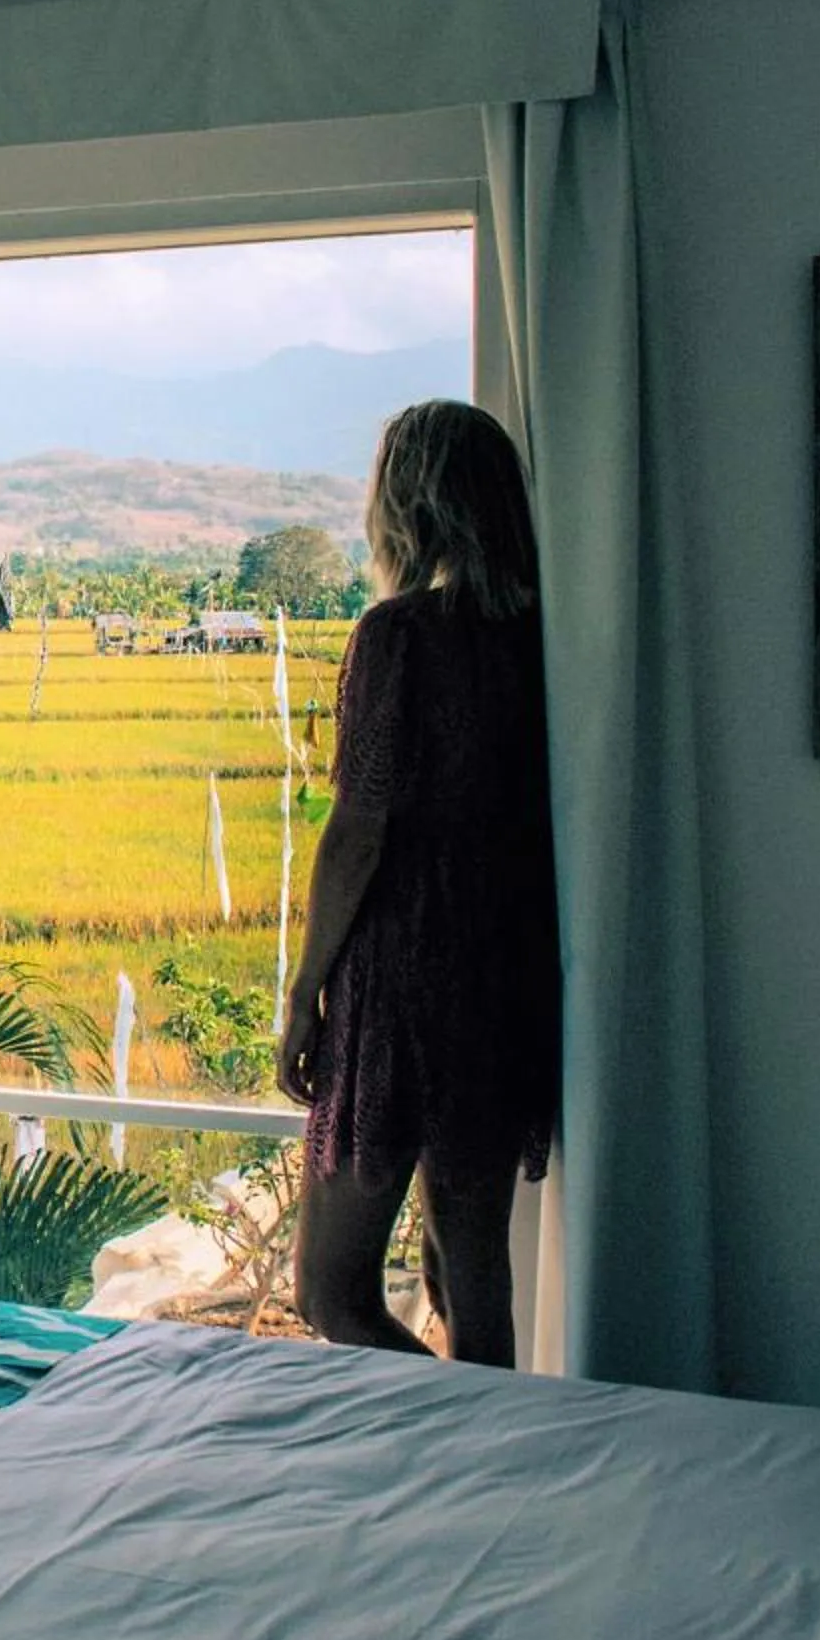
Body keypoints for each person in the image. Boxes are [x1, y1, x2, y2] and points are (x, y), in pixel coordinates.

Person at [281, 399, 559, 1368]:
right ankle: (487, 1467)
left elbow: (358, 828)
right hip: (507, 976)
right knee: (472, 1279)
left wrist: (302, 989)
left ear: (409, 503)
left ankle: (446, 1430)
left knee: (328, 1283)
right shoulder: (538, 638)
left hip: (401, 981)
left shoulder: (398, 635)